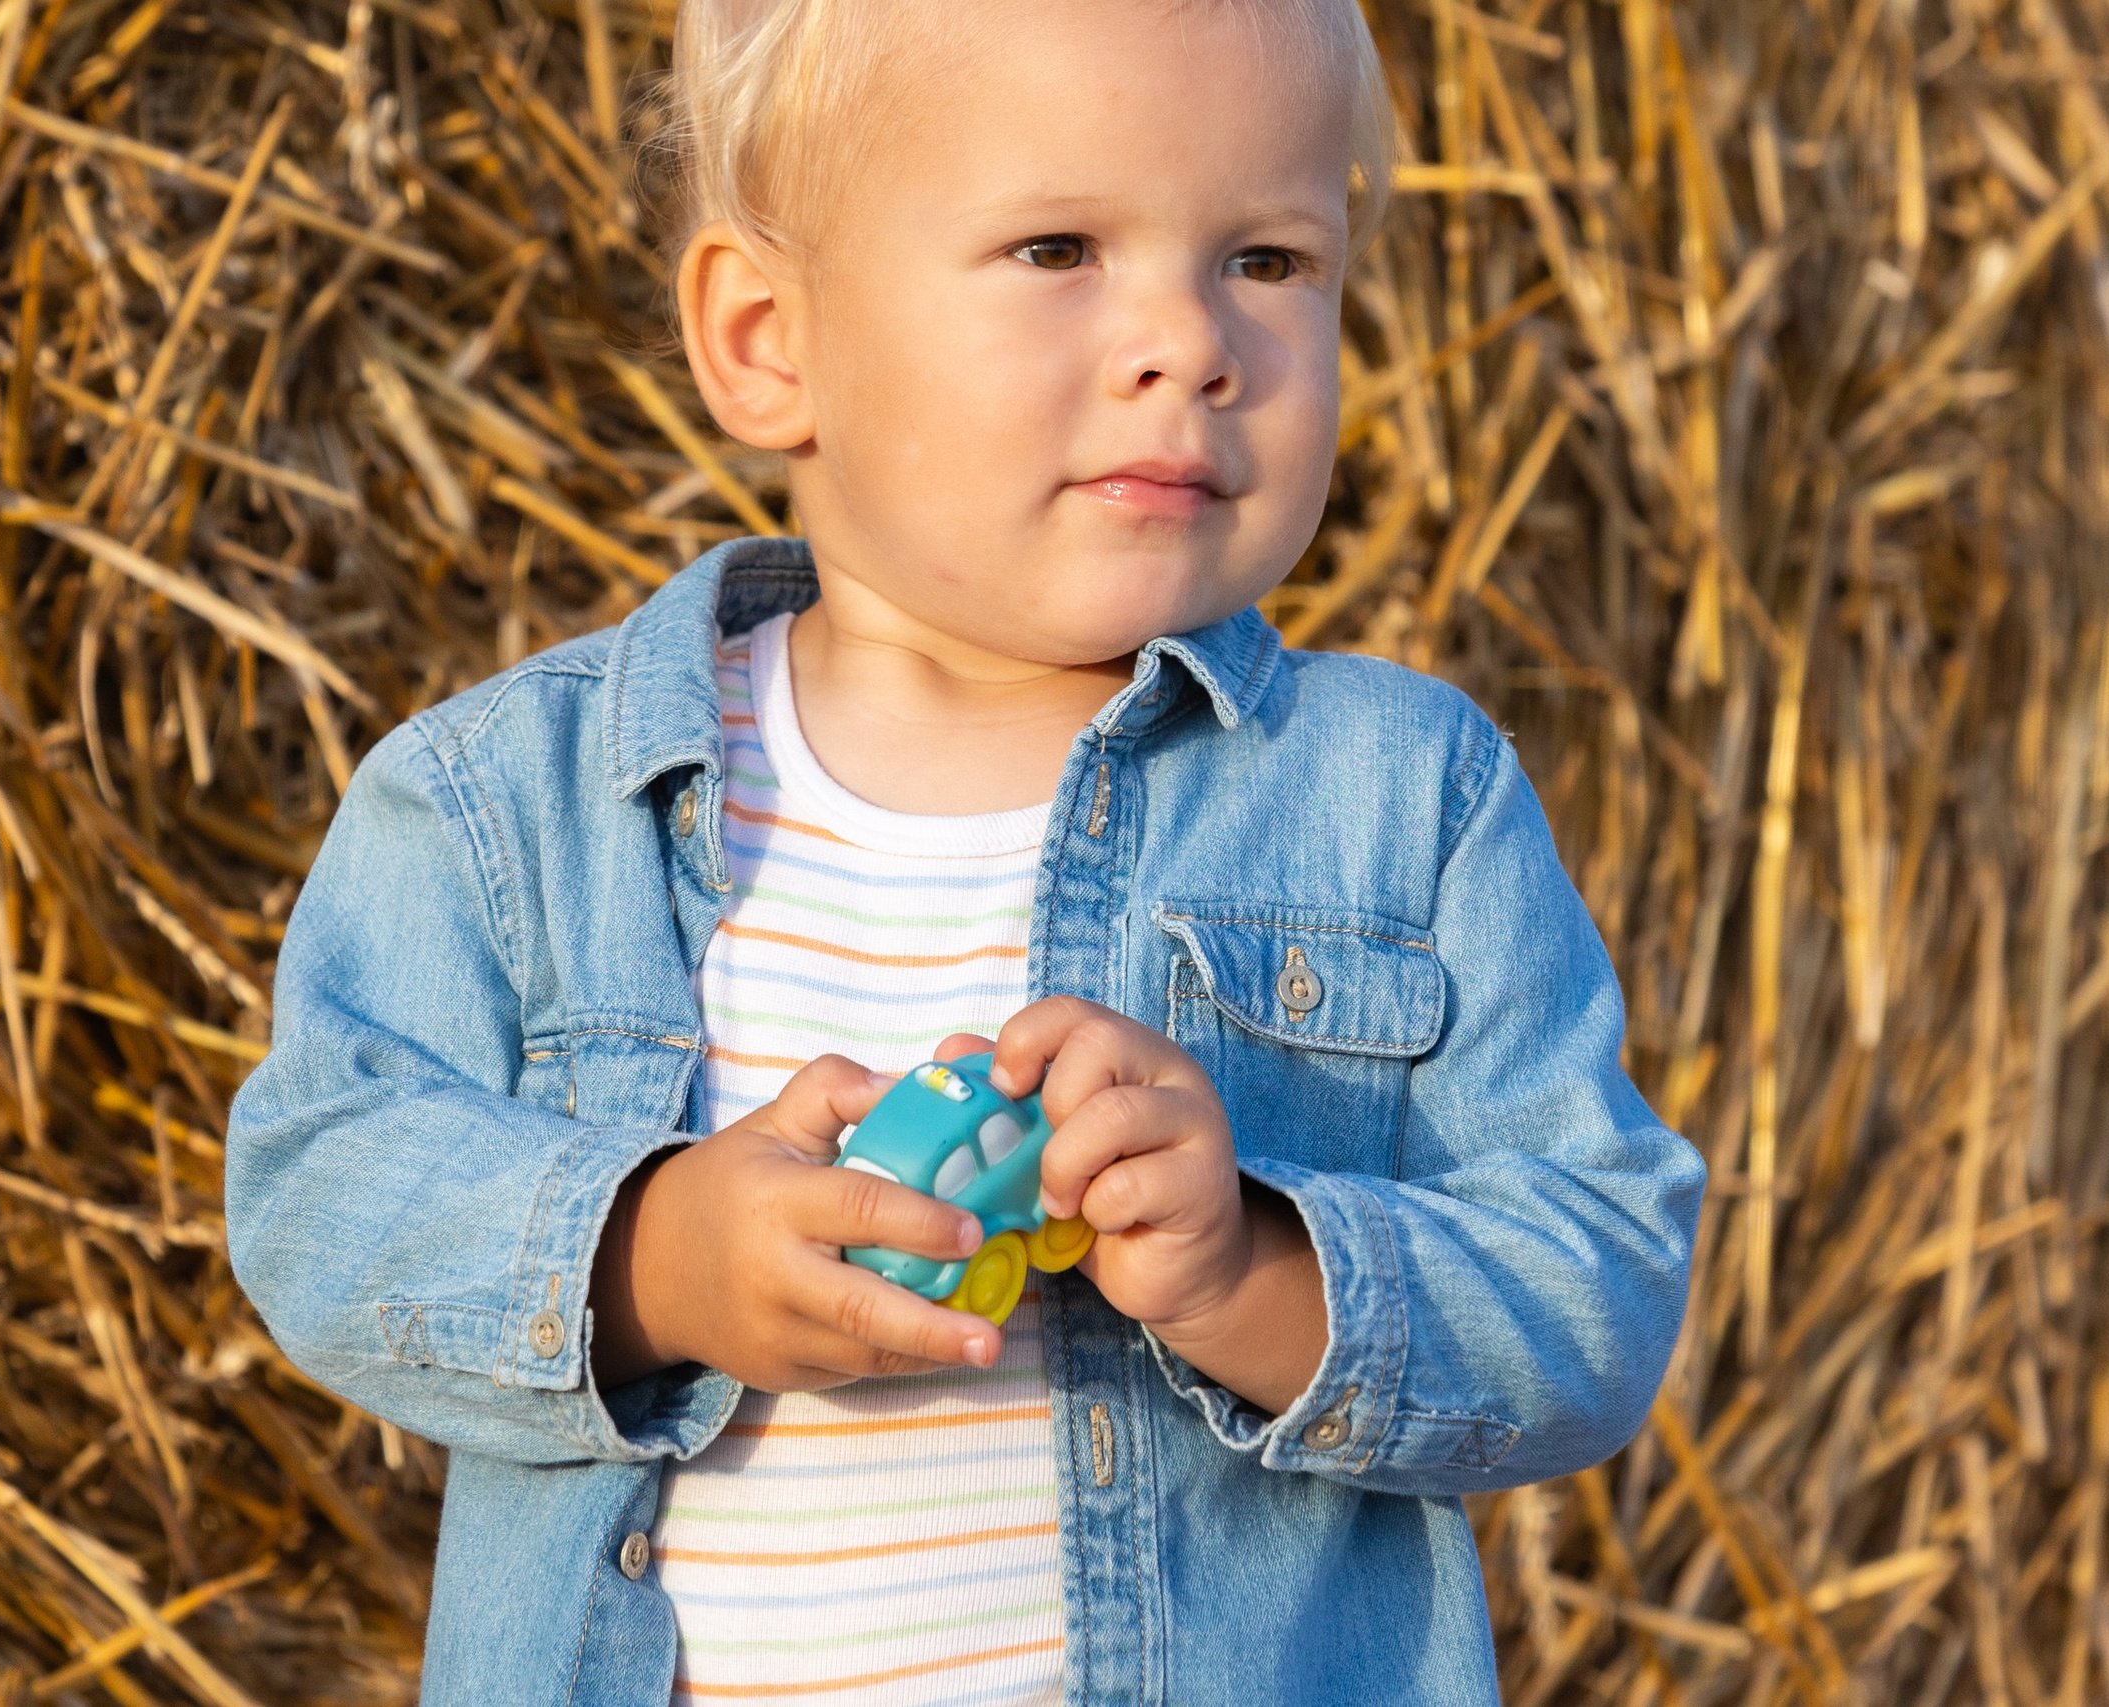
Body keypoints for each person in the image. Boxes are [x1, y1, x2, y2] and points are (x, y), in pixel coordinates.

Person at [225, 0, 1706, 1701]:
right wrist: (653, 1257)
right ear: (771, 340)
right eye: (1059, 246)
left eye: (1272, 261)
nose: (1192, 342)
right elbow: (319, 1193)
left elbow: (1596, 1284)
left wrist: (1253, 1272)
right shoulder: (516, 804)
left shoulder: (1401, 797)